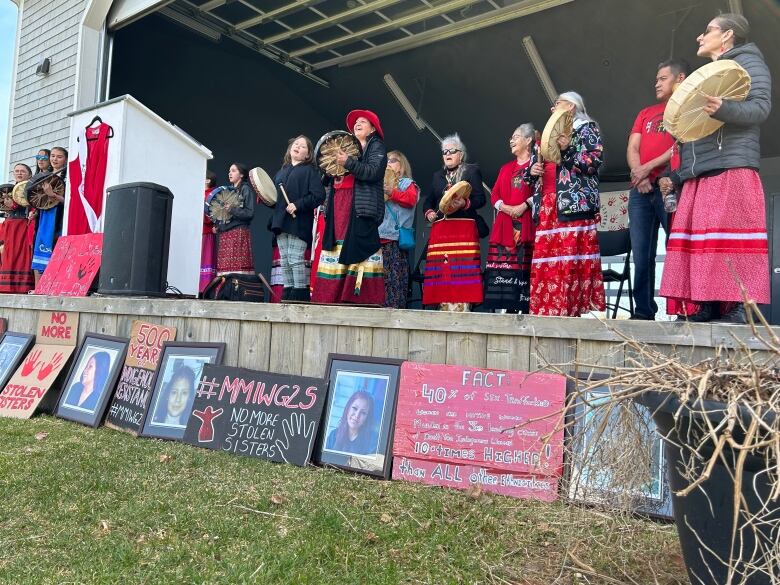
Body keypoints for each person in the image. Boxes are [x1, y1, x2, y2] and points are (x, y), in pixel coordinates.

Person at [660, 14, 771, 324]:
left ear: (728, 36)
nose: (700, 37)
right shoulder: (708, 72)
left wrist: (725, 108)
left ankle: (739, 309)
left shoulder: (750, 62)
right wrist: (679, 174)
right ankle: (706, 305)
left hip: (732, 164)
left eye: (707, 30)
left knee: (733, 242)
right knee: (704, 244)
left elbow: (761, 107)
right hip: (702, 173)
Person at [526, 92, 606, 317]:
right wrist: (532, 172)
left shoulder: (586, 128)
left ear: (570, 106)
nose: (553, 109)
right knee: (548, 260)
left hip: (574, 203)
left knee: (571, 260)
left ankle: (574, 310)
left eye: (557, 104)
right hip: (548, 204)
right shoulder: (547, 136)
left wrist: (568, 149)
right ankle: (548, 310)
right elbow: (528, 176)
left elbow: (593, 163)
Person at [627, 59, 689, 320]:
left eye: (663, 78)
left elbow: (679, 145)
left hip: (669, 185)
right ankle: (643, 311)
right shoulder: (646, 112)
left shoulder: (686, 110)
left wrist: (646, 169)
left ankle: (684, 309)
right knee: (641, 255)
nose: (657, 83)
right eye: (656, 78)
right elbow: (632, 147)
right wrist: (639, 175)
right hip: (641, 190)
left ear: (680, 79)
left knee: (677, 249)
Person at [312, 110, 387, 305]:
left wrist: (348, 162)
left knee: (358, 244)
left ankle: (356, 298)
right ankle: (330, 297)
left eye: (363, 121)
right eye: (356, 122)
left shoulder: (377, 146)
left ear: (373, 129)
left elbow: (373, 172)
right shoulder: (345, 146)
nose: (358, 124)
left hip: (360, 206)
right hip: (338, 204)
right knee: (336, 245)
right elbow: (327, 175)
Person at [423, 134, 486, 312]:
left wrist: (465, 203)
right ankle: (442, 304)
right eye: (444, 152)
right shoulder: (437, 176)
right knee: (443, 269)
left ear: (461, 154)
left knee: (462, 267)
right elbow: (428, 201)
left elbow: (481, 199)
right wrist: (428, 213)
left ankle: (463, 306)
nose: (448, 154)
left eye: (452, 151)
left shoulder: (471, 171)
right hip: (442, 229)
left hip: (463, 227)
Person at [483, 124, 536, 313]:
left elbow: (542, 192)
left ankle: (525, 310)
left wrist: (524, 205)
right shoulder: (505, 168)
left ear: (528, 140)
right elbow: (494, 195)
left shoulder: (536, 166)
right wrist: (506, 207)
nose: (511, 140)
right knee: (505, 270)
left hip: (528, 223)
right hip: (505, 223)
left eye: (516, 137)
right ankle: (508, 311)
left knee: (525, 269)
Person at [271, 135, 326, 302]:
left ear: (308, 155)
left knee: (295, 259)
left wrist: (298, 204)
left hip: (299, 221)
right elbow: (275, 199)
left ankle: (300, 295)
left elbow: (319, 195)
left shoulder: (310, 171)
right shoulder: (281, 172)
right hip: (281, 222)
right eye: (296, 144)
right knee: (285, 260)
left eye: (303, 146)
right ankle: (288, 295)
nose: (298, 147)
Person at [380, 150, 418, 309]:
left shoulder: (408, 184)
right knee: (379, 281)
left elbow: (411, 200)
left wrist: (392, 193)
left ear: (402, 166)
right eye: (386, 160)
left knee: (395, 281)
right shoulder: (380, 183)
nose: (388, 162)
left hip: (395, 240)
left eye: (393, 160)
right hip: (378, 238)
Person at [31, 146, 68, 281]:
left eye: (59, 156)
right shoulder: (44, 176)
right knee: (38, 248)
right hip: (43, 217)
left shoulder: (68, 178)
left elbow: (70, 202)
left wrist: (53, 195)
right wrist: (35, 211)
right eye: (52, 156)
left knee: (54, 249)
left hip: (58, 217)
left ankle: (53, 286)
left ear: (65, 159)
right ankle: (38, 289)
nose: (54, 159)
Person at [215, 163, 255, 276]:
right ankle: (226, 293)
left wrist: (232, 209)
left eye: (233, 170)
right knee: (225, 270)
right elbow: (224, 214)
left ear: (241, 174)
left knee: (238, 269)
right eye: (229, 171)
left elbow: (249, 213)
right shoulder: (229, 191)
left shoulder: (245, 189)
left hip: (239, 232)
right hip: (226, 234)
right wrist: (218, 227)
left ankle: (237, 292)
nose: (230, 173)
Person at [0, 164, 34, 293]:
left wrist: (12, 206)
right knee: (9, 253)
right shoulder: (10, 189)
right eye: (17, 171)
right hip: (10, 224)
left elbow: (28, 204)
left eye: (23, 171)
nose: (19, 173)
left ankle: (21, 286)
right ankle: (6, 285)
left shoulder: (30, 188)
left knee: (21, 252)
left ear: (29, 174)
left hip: (22, 224)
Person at [325, 390, 378, 455]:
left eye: (363, 413)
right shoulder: (333, 435)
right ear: (348, 408)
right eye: (355, 408)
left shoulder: (373, 442)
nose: (357, 415)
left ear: (367, 418)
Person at [200, 170, 218, 295]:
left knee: (205, 260)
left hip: (206, 232)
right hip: (197, 231)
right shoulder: (200, 192)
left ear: (208, 180)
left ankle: (204, 288)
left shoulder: (212, 194)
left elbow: (213, 214)